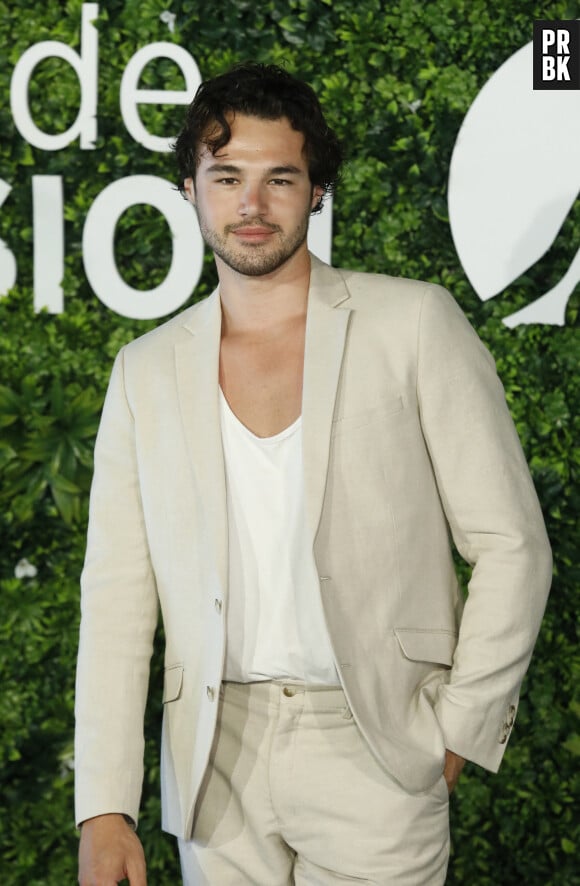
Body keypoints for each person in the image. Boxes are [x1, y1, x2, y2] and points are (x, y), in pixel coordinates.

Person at [75, 63, 552, 885]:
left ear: (317, 190)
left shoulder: (413, 323)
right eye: (226, 177)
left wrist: (455, 732)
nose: (251, 206)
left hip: (376, 745)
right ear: (189, 187)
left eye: (279, 179)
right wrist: (105, 806)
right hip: (215, 761)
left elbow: (514, 545)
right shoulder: (144, 372)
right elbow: (118, 597)